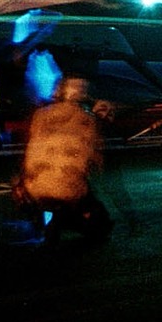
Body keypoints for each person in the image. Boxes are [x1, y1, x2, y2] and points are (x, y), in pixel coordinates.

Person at [12, 76, 109, 245]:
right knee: (95, 214)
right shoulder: (86, 120)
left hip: (34, 187)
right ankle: (70, 221)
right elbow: (94, 161)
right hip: (68, 189)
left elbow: (30, 151)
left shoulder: (40, 115)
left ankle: (42, 219)